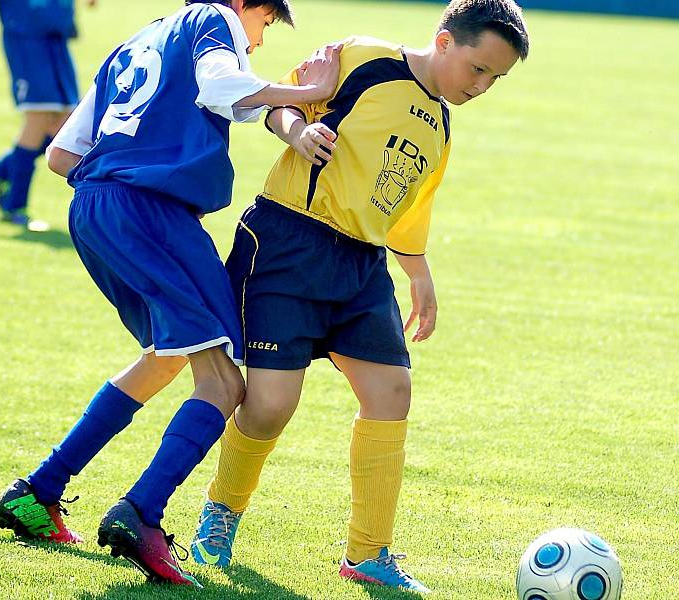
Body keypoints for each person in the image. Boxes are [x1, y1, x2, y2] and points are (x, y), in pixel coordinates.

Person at [0, 0, 341, 586]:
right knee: (225, 377)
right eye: (266, 23)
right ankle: (141, 513)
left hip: (93, 208)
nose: (256, 40)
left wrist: (118, 188)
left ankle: (38, 492)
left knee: (166, 357)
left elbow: (60, 155)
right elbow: (222, 84)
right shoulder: (215, 20)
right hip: (152, 213)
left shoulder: (135, 43)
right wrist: (306, 93)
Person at [190, 0, 530, 593]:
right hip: (290, 241)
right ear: (445, 41)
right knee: (270, 405)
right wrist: (298, 131)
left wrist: (417, 272)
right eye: (478, 69)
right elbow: (279, 102)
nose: (482, 87)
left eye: (495, 80)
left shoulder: (441, 124)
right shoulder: (364, 59)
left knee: (391, 389)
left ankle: (368, 552)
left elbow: (406, 203)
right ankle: (220, 513)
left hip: (362, 265)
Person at [0, 0, 96, 230]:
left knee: (66, 122)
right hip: (26, 36)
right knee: (38, 119)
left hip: (55, 33)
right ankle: (15, 205)